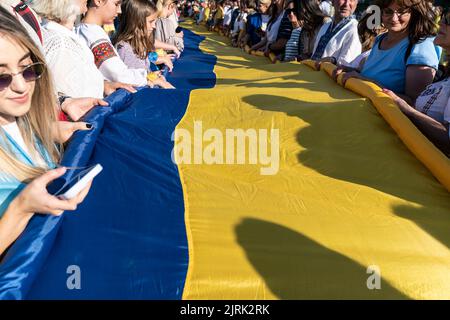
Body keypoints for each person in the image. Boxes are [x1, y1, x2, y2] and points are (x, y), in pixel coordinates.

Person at [0, 6, 92, 256]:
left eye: (29, 69)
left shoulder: (19, 118)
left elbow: (18, 134)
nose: (21, 86)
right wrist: (21, 209)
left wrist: (53, 129)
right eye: (1, 77)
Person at [339, 0, 441, 104]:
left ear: (414, 13)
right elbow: (369, 75)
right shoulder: (380, 39)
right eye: (388, 12)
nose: (394, 18)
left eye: (401, 11)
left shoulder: (421, 46)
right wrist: (346, 70)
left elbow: (415, 104)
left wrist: (368, 83)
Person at [31, 0, 137, 99]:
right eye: (116, 4)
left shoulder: (65, 36)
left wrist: (103, 86)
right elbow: (62, 96)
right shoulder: (60, 44)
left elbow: (78, 81)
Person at [383, 8, 450, 156]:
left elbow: (448, 138)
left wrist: (406, 109)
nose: (442, 23)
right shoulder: (445, 73)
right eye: (444, 18)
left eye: (448, 20)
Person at [311, 0, 362, 68]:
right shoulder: (326, 26)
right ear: (332, 1)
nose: (346, 4)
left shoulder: (354, 29)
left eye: (351, 0)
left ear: (356, 3)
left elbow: (346, 66)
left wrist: (332, 61)